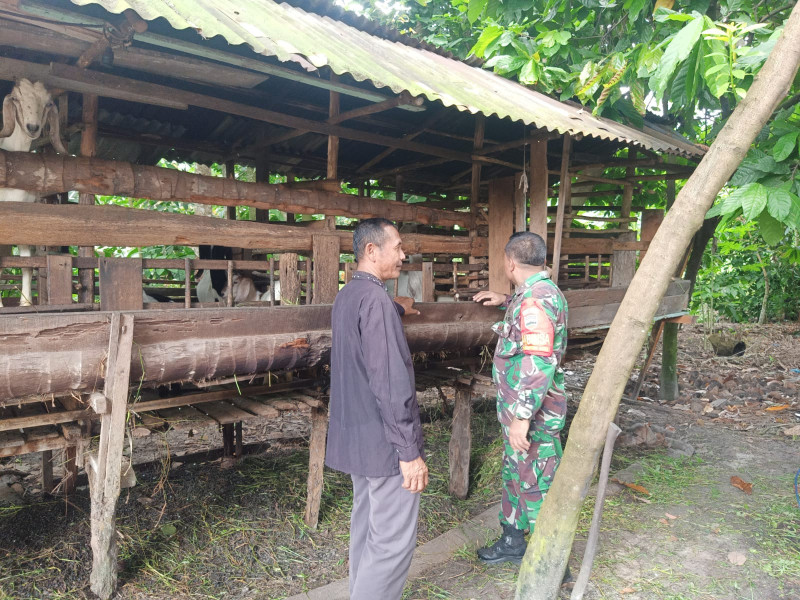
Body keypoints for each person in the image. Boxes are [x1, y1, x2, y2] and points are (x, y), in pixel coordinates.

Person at [325, 217, 429, 600]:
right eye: (398, 247)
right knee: (391, 545)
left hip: (357, 437)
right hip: (385, 442)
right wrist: (409, 452)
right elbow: (389, 383)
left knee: (367, 528)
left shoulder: (350, 295)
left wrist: (395, 307)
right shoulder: (375, 302)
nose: (404, 255)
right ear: (372, 250)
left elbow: (366, 334)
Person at [473, 231, 569, 566]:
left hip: (533, 419)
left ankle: (552, 565)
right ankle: (513, 542)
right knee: (516, 476)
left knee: (538, 487)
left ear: (510, 262)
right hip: (522, 416)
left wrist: (523, 418)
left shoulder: (535, 302)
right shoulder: (533, 295)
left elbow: (539, 361)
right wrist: (504, 299)